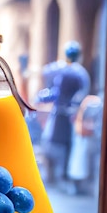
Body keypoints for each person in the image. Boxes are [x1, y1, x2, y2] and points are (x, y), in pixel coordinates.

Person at [38, 41, 91, 187]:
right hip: (64, 114)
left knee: (63, 146)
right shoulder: (78, 72)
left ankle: (62, 177)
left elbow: (46, 72)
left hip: (69, 115)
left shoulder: (71, 71)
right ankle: (56, 176)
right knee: (57, 144)